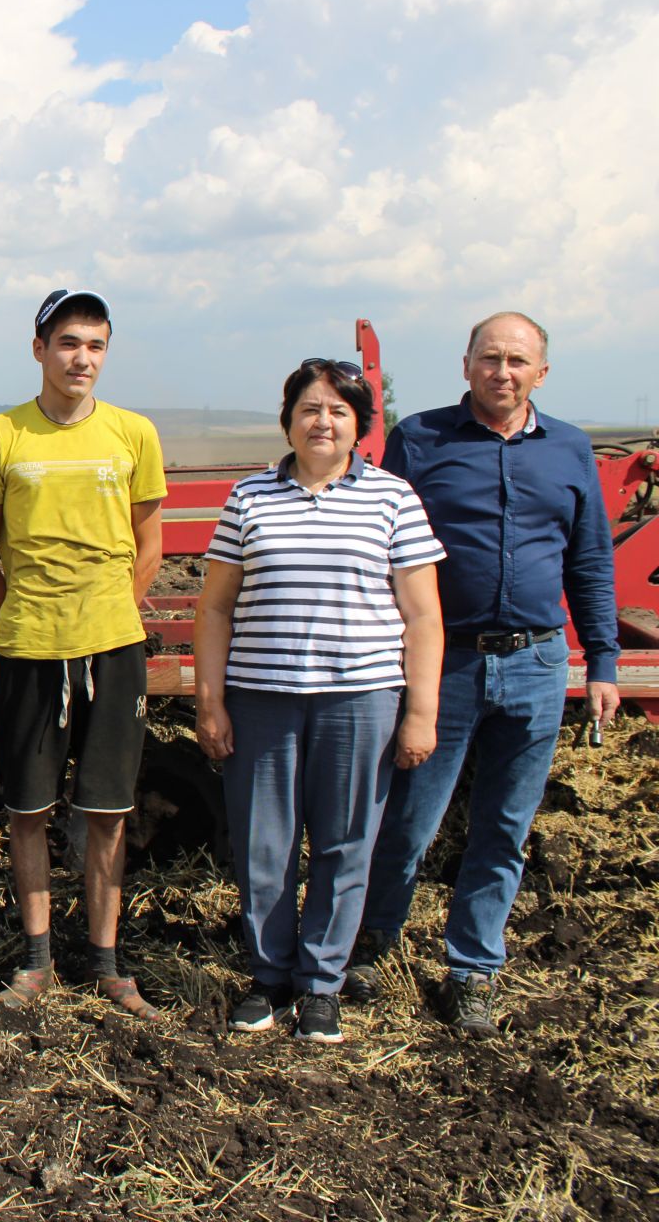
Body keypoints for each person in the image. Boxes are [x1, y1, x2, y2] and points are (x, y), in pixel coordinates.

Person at [350, 312, 620, 1038]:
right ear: (465, 364)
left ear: (542, 372)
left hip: (537, 661)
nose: (504, 372)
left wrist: (601, 661)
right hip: (448, 660)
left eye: (518, 361)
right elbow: (382, 546)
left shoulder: (568, 449)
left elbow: (590, 561)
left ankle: (472, 970)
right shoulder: (422, 440)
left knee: (503, 828)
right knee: (410, 819)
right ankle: (374, 945)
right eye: (491, 358)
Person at [194, 359, 445, 1044]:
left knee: (343, 844)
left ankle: (321, 986)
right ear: (288, 420)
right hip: (263, 699)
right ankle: (269, 978)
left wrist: (419, 710)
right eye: (309, 408)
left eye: (338, 410)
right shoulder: (250, 499)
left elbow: (423, 617)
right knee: (264, 845)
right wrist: (210, 700)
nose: (322, 421)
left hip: (360, 701)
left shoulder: (392, 499)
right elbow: (215, 609)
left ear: (360, 425)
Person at [0, 288, 167, 1021]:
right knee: (27, 809)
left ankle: (108, 965)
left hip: (113, 647)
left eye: (97, 345)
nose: (83, 358)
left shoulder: (133, 434)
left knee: (108, 810)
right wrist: (19, 614)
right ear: (40, 347)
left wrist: (114, 611)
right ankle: (38, 958)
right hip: (30, 650)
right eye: (70, 342)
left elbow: (150, 544)